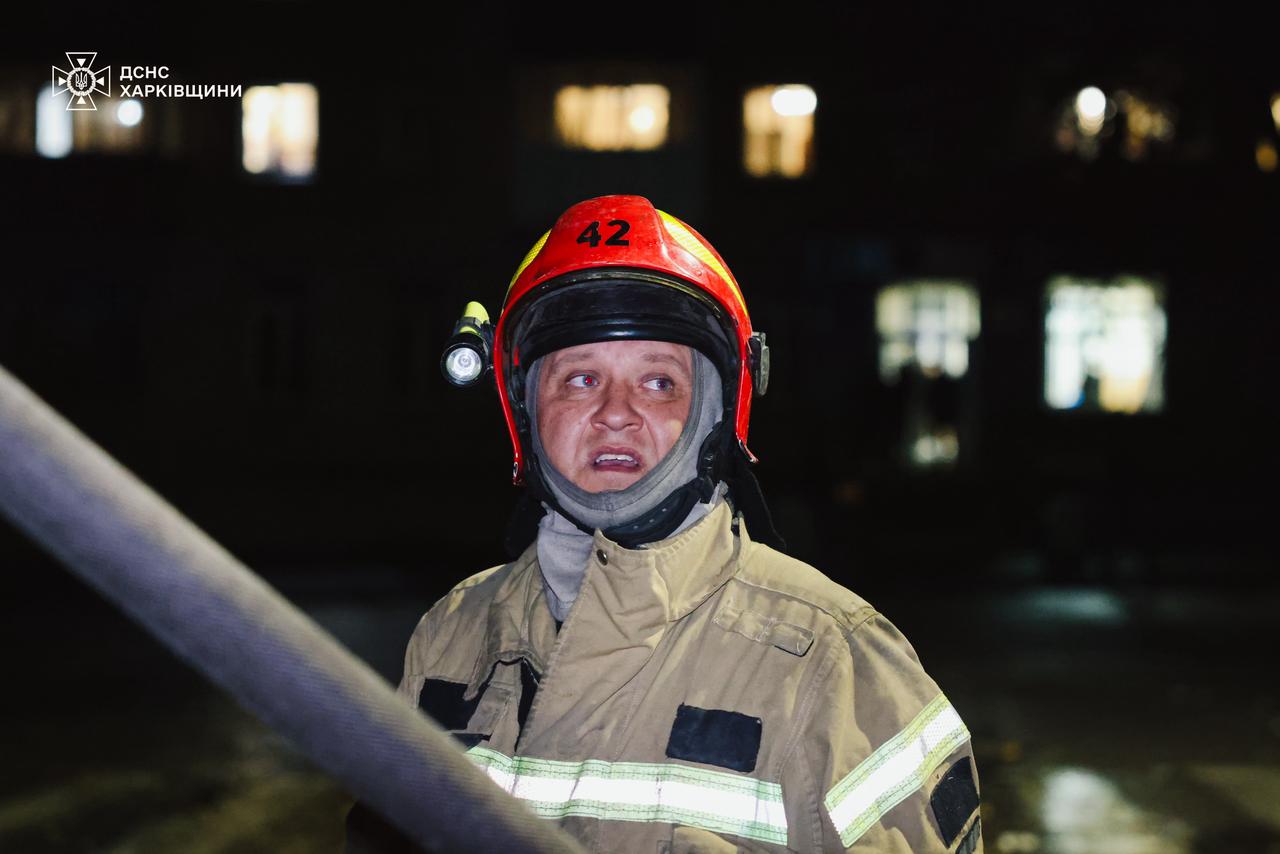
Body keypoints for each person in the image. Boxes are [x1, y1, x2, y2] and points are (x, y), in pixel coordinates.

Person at [346, 195, 983, 853]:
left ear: (716, 408)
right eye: (580, 379)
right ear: (525, 407)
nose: (615, 413)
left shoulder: (834, 660)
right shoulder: (452, 637)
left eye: (658, 383)